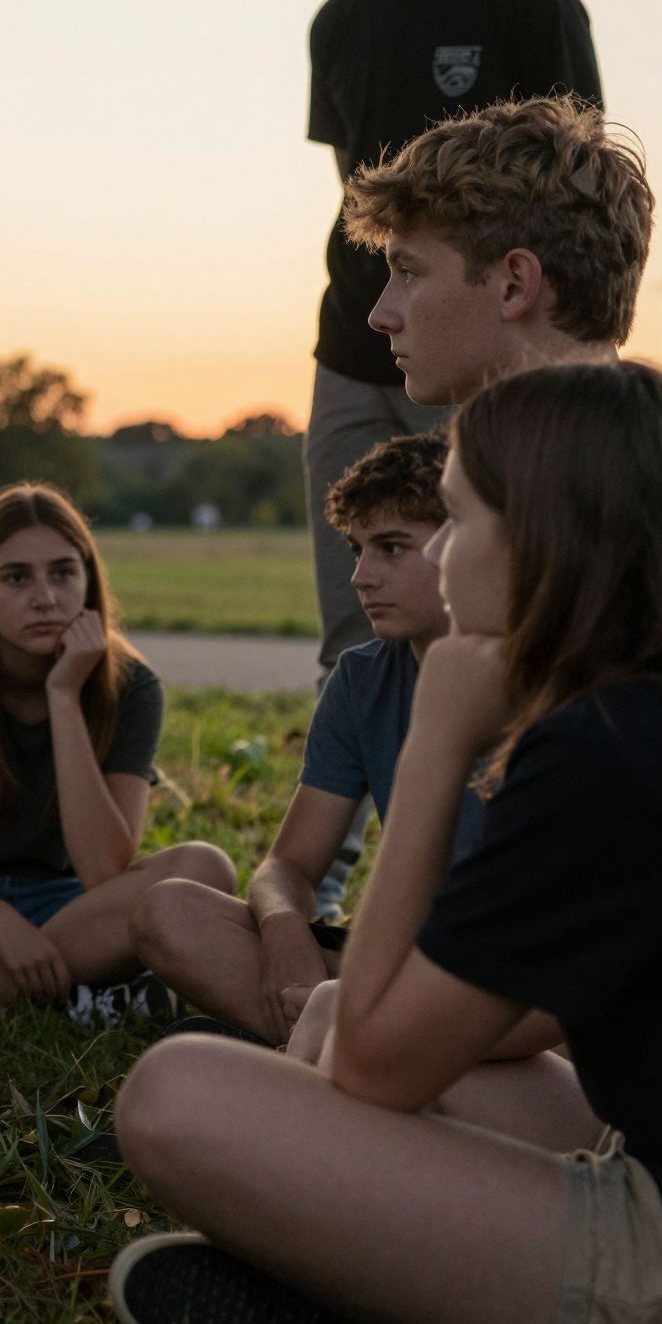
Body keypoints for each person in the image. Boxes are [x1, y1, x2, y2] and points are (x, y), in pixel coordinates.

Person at [109, 363, 662, 1324]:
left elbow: (380, 1064)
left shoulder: (613, 746)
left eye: (457, 520)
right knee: (329, 1015)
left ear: (548, 534)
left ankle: (386, 1299)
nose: (442, 555)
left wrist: (435, 743)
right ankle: (402, 1274)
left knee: (176, 1096)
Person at [294, 0, 603, 675]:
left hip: (491, 358)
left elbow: (582, 196)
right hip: (355, 347)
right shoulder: (337, 24)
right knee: (359, 625)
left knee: (500, 614)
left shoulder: (529, 0)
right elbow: (356, 200)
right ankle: (350, 777)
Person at [133, 431, 483, 1048]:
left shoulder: (547, 678)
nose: (361, 576)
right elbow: (289, 864)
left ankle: (326, 1052)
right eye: (357, 549)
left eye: (391, 548)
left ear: (469, 543)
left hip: (507, 981)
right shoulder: (362, 679)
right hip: (394, 964)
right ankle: (337, 1044)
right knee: (170, 912)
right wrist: (285, 928)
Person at [0, 484, 237, 1017]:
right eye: (17, 578)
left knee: (205, 868)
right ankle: (75, 997)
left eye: (62, 573)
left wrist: (64, 696)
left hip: (70, 907)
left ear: (88, 581)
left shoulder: (131, 685)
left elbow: (103, 869)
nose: (45, 598)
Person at [345, 91, 662, 517]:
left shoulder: (619, 502)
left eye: (409, 271)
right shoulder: (656, 468)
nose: (381, 316)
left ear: (514, 285)